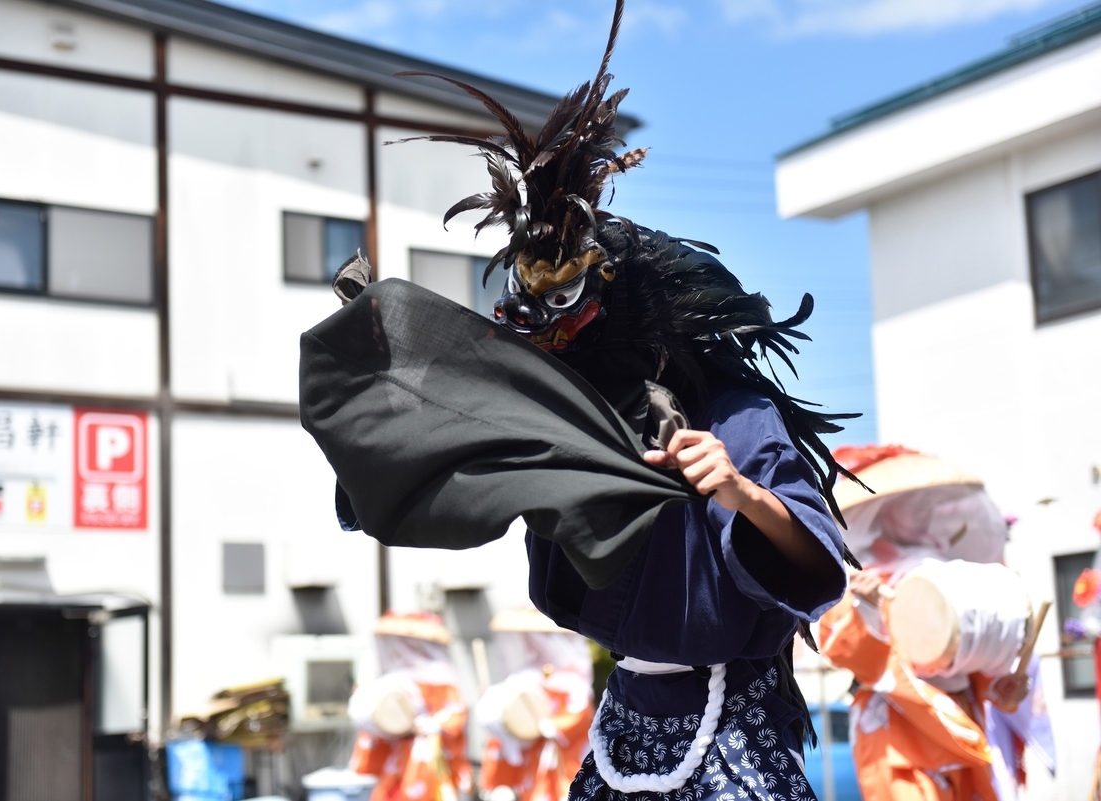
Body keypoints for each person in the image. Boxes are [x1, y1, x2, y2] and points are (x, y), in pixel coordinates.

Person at [304, 1, 860, 798]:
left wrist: (738, 488)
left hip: (731, 716)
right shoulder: (558, 413)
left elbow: (817, 558)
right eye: (526, 305)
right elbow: (458, 438)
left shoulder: (731, 411)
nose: (538, 324)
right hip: (624, 711)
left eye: (561, 300)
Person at [820, 445, 1053, 801]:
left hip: (961, 708)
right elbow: (841, 641)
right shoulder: (856, 572)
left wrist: (998, 687)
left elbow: (974, 643)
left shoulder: (946, 565)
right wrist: (865, 608)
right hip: (897, 714)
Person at [348, 612, 473, 801]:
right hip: (396, 762)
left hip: (429, 760)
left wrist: (431, 725)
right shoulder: (388, 682)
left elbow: (455, 715)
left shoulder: (441, 681)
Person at [477, 608, 595, 801]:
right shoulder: (527, 675)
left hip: (561, 753)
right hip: (533, 752)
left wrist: (551, 726)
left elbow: (579, 715)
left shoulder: (574, 680)